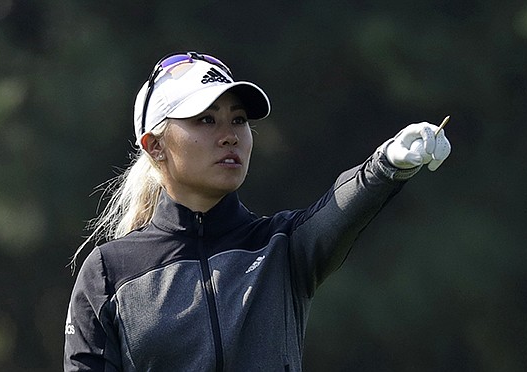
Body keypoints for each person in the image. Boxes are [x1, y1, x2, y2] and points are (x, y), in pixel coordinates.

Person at [63, 51, 451, 371]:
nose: (230, 135)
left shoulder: (281, 246)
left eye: (238, 120)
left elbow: (341, 208)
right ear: (154, 146)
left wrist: (388, 164)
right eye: (205, 119)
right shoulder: (109, 273)